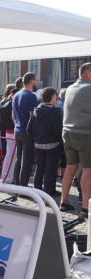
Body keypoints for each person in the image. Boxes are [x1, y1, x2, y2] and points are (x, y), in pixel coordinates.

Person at [60, 62, 91, 218]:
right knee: (87, 170)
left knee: (70, 168)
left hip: (67, 132)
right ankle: (85, 207)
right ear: (87, 73)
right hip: (84, 134)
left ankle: (63, 202)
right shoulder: (89, 89)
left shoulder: (70, 88)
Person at [27, 87, 62, 196]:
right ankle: (48, 194)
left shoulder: (36, 110)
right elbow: (58, 130)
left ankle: (37, 193)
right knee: (50, 171)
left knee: (39, 168)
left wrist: (36, 138)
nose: (58, 99)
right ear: (52, 98)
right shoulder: (56, 111)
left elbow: (29, 129)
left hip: (38, 144)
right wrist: (60, 140)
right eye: (57, 97)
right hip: (53, 144)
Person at [12, 72, 39, 186]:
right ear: (31, 81)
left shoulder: (16, 95)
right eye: (36, 80)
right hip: (27, 131)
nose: (37, 82)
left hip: (17, 130)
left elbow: (12, 116)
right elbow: (32, 116)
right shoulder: (32, 96)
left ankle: (17, 183)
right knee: (26, 161)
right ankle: (23, 186)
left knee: (19, 159)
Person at [0, 84, 17, 183]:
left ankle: (5, 176)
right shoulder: (14, 103)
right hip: (14, 131)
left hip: (5, 131)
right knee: (13, 156)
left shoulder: (2, 102)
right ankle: (9, 178)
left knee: (8, 155)